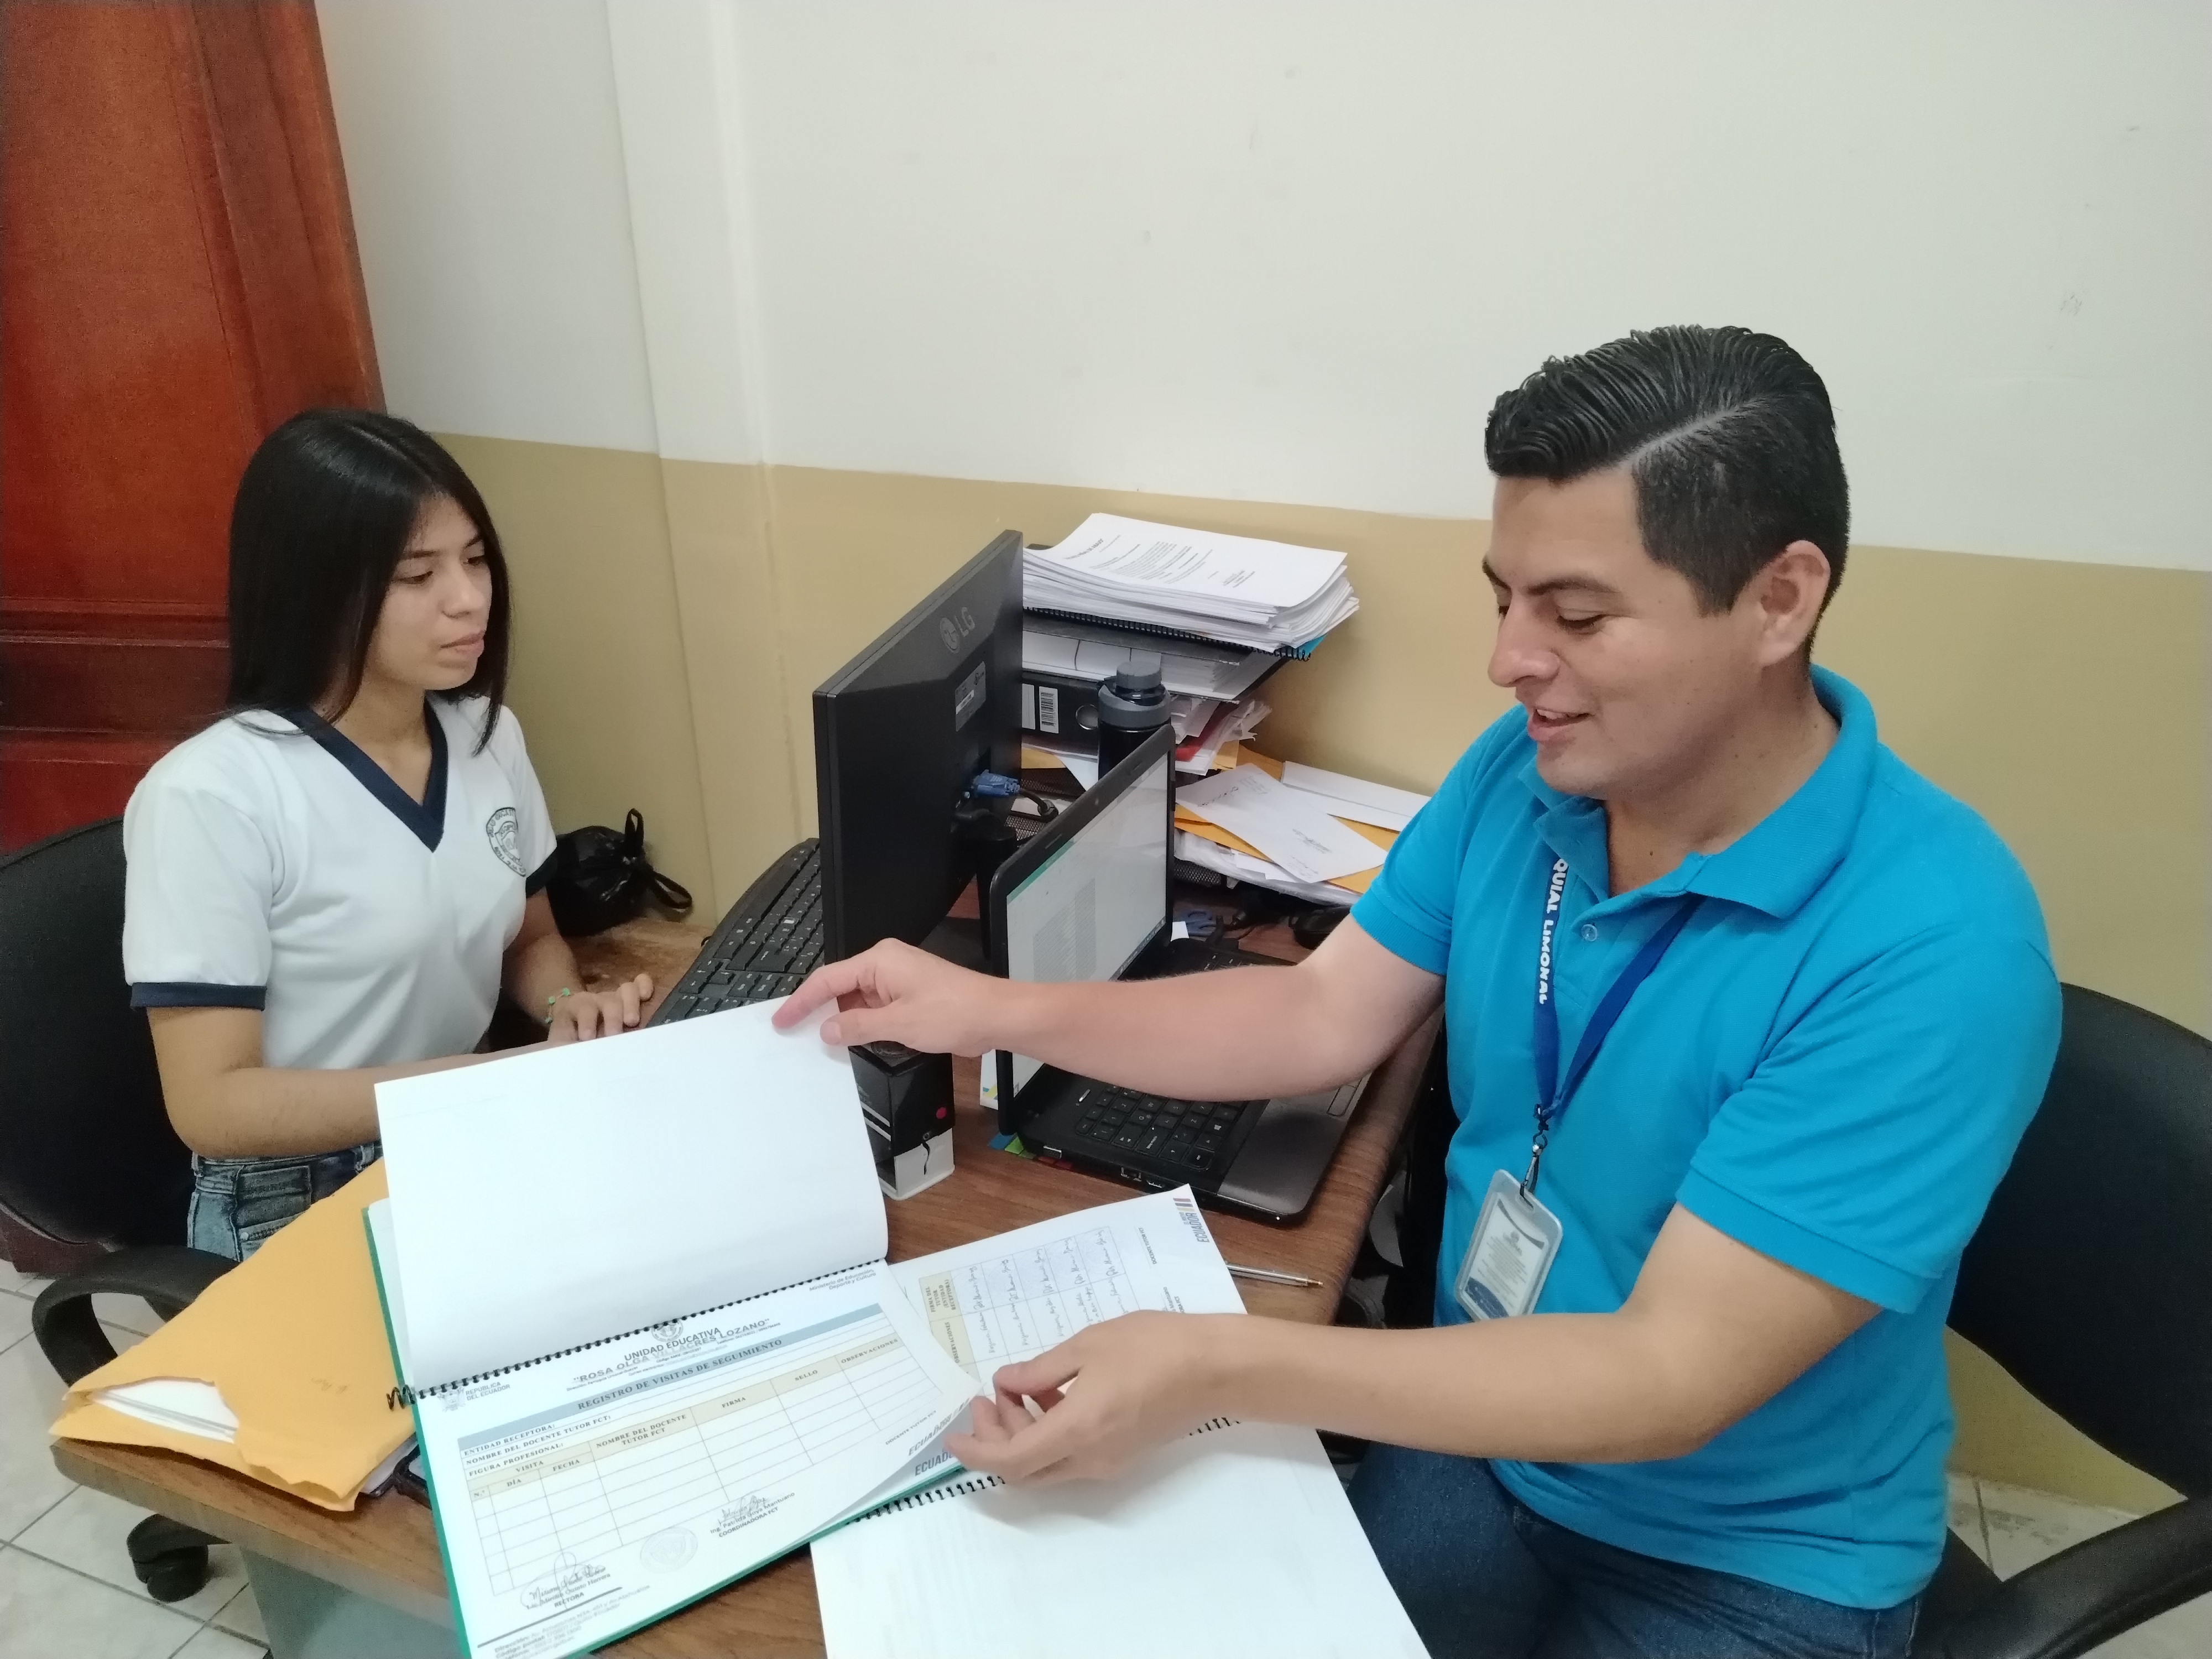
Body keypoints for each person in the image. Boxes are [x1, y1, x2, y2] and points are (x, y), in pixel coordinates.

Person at [779, 327, 2060, 1658]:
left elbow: (1664, 1377)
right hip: (1479, 1437)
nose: (1509, 661)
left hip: (1740, 1552)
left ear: (1778, 601)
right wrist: (988, 1008)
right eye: (1503, 599)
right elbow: (1317, 1013)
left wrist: (1214, 1362)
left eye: (1574, 616)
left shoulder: (1932, 948)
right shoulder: (1529, 773)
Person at [124, 410, 651, 1261]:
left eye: (476, 560)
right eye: (418, 575)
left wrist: (566, 1009)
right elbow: (211, 1105)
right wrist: (480, 1083)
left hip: (464, 1121)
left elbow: (530, 938)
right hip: (296, 1185)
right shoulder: (211, 795)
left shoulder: (487, 735)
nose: (469, 597)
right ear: (317, 591)